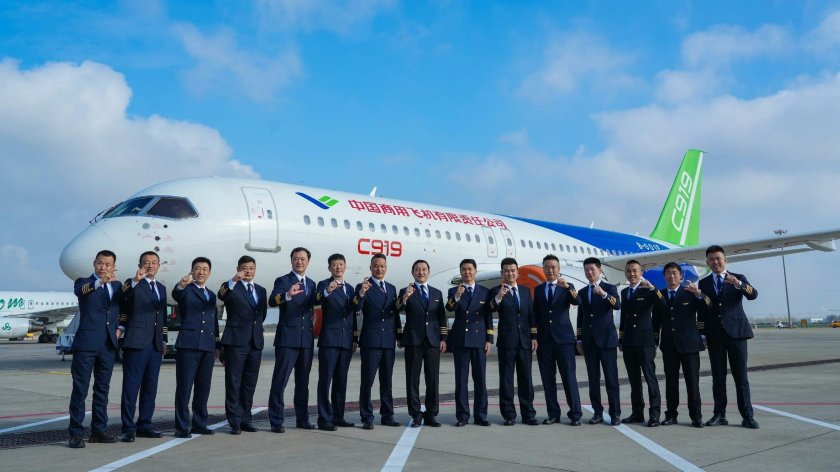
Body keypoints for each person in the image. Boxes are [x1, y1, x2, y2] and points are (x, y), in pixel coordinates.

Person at [698, 245, 760, 429]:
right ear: (707, 262)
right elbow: (703, 310)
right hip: (715, 335)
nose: (715, 262)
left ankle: (747, 416)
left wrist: (738, 285)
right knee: (718, 378)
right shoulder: (704, 283)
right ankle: (719, 414)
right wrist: (702, 334)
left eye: (718, 258)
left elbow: (753, 295)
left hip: (737, 334)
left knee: (741, 378)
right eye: (711, 259)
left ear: (725, 260)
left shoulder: (738, 278)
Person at [68, 250, 122, 448]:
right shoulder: (83, 282)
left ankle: (99, 429)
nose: (103, 267)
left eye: (108, 264)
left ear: (114, 266)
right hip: (86, 344)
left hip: (108, 345)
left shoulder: (117, 286)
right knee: (80, 389)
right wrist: (100, 282)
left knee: (102, 389)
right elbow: (81, 292)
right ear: (94, 264)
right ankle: (75, 432)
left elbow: (123, 309)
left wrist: (120, 328)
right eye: (100, 263)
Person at [118, 251, 167, 442]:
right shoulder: (132, 284)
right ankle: (128, 427)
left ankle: (145, 424)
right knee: (131, 387)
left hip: (155, 344)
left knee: (150, 387)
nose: (150, 265)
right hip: (136, 342)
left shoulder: (161, 288)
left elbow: (161, 317)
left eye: (154, 262)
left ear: (158, 265)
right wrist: (134, 281)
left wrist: (163, 339)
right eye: (146, 262)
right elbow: (123, 297)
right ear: (140, 265)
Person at [268, 247, 317, 433]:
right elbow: (273, 300)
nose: (299, 262)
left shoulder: (311, 284)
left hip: (306, 341)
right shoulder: (283, 280)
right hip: (287, 339)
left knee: (303, 383)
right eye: (296, 259)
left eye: (303, 259)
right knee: (280, 381)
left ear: (308, 262)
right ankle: (276, 421)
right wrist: (287, 295)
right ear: (291, 261)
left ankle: (302, 419)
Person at [654, 262, 708, 428]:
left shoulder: (690, 293)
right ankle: (671, 415)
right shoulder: (660, 296)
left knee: (692, 383)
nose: (672, 276)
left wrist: (699, 293)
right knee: (671, 383)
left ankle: (696, 416)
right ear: (664, 276)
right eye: (668, 273)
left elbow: (708, 306)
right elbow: (655, 321)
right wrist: (655, 342)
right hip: (669, 346)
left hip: (690, 345)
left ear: (681, 276)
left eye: (675, 273)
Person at [218, 255, 267, 435]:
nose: (248, 271)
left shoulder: (261, 290)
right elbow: (221, 294)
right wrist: (233, 280)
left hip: (255, 343)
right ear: (238, 269)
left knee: (249, 384)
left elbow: (261, 314)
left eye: (251, 268)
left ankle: (246, 419)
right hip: (236, 342)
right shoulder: (231, 287)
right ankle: (234, 421)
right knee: (233, 383)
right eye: (244, 268)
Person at [172, 257, 219, 438]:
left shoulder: (211, 295)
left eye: (205, 269)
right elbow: (177, 294)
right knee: (184, 387)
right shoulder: (186, 291)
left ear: (209, 272)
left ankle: (200, 423)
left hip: (207, 346)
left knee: (203, 387)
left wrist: (216, 344)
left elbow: (213, 321)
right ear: (191, 271)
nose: (201, 272)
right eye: (197, 269)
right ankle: (182, 426)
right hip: (188, 345)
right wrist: (181, 285)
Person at [396, 260, 448, 428]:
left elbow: (442, 318)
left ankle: (431, 414)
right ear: (412, 273)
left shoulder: (436, 293)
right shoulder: (406, 291)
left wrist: (443, 339)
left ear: (429, 271)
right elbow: (397, 309)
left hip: (432, 341)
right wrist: (405, 298)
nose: (421, 272)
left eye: (424, 269)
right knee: (413, 379)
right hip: (413, 340)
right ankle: (416, 413)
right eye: (417, 270)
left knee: (432, 379)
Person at [354, 253, 402, 430]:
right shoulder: (363, 286)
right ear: (370, 268)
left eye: (382, 266)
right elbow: (356, 307)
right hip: (371, 341)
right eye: (375, 266)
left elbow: (395, 314)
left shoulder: (391, 288)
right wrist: (361, 293)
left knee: (386, 381)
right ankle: (366, 416)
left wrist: (399, 336)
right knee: (367, 381)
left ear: (386, 268)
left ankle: (387, 415)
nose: (379, 269)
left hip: (388, 341)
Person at [533, 255, 582, 426]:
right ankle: (553, 413)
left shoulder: (567, 287)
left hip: (564, 341)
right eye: (547, 267)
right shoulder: (538, 290)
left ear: (559, 269)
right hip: (545, 342)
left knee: (569, 378)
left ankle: (575, 414)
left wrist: (568, 287)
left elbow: (577, 301)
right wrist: (535, 337)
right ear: (543, 269)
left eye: (553, 267)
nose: (550, 270)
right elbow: (536, 316)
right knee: (548, 379)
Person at [490, 257, 539, 426]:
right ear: (502, 273)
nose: (510, 273)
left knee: (526, 379)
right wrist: (498, 297)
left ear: (517, 273)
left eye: (513, 270)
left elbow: (531, 315)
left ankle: (528, 414)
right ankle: (509, 414)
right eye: (506, 271)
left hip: (525, 342)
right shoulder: (497, 290)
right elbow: (491, 309)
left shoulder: (525, 291)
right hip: (506, 342)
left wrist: (534, 336)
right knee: (507, 380)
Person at [446, 259, 493, 427]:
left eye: (470, 269)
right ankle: (462, 416)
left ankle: (481, 415)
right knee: (461, 381)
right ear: (460, 272)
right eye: (464, 269)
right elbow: (450, 308)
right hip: (460, 341)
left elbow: (488, 317)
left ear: (476, 271)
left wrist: (489, 339)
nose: (467, 272)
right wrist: (457, 296)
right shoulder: (454, 290)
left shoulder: (484, 292)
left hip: (479, 340)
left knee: (480, 380)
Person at [576, 257, 622, 426]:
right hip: (589, 341)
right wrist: (579, 339)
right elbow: (581, 318)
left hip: (607, 341)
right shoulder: (582, 292)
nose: (589, 272)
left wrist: (603, 294)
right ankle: (597, 412)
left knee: (611, 379)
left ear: (600, 270)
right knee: (593, 379)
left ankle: (615, 413)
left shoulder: (609, 288)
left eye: (592, 269)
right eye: (586, 270)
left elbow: (617, 305)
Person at [314, 253, 358, 431]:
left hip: (346, 340)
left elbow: (354, 313)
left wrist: (354, 338)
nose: (338, 267)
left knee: (341, 381)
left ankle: (338, 416)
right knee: (325, 381)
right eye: (334, 265)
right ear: (329, 268)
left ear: (345, 267)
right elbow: (317, 299)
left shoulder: (350, 288)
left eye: (341, 264)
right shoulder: (324, 285)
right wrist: (328, 291)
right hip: (329, 340)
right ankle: (324, 418)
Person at [619, 260, 665, 427]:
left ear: (641, 272)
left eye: (635, 271)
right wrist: (621, 338)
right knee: (634, 380)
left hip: (645, 341)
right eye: (629, 271)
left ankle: (654, 414)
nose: (632, 274)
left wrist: (653, 289)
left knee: (650, 378)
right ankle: (637, 413)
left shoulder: (648, 290)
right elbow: (624, 317)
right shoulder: (624, 292)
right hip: (630, 341)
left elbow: (662, 304)